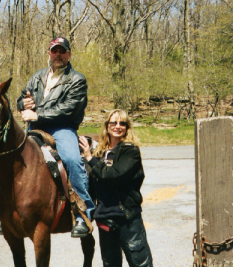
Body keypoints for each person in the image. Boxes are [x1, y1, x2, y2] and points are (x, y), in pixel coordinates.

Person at [16, 36, 95, 237]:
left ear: (69, 54)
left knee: (71, 159)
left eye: (62, 51)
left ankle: (83, 213)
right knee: (14, 159)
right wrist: (22, 104)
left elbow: (69, 108)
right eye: (54, 51)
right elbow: (23, 96)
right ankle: (12, 211)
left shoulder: (77, 79)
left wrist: (38, 114)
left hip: (62, 128)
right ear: (49, 54)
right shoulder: (38, 76)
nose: (57, 55)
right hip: (35, 127)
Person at [79, 109, 153, 267]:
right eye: (113, 122)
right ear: (107, 126)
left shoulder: (130, 151)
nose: (118, 126)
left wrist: (90, 159)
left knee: (140, 263)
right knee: (110, 264)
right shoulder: (100, 153)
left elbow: (113, 175)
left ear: (127, 127)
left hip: (127, 218)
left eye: (122, 123)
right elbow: (91, 185)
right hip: (105, 218)